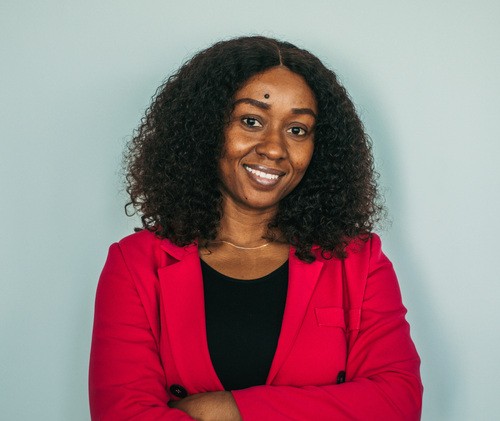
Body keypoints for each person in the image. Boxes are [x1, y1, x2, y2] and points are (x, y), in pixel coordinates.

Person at [89, 36, 423, 420]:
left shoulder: (358, 261)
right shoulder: (135, 265)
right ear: (207, 127)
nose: (274, 148)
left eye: (297, 129)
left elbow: (397, 403)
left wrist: (224, 410)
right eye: (251, 121)